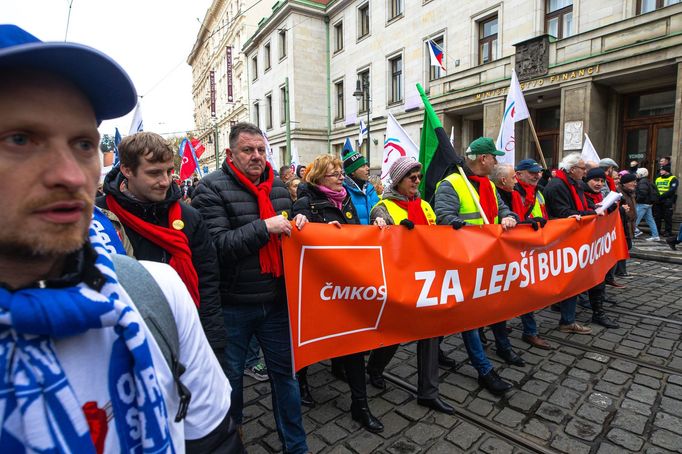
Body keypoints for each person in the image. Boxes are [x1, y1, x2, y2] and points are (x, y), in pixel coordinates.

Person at [0, 24, 240, 452]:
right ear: (126, 173)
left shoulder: (155, 291)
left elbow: (216, 440)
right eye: (19, 139)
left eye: (83, 144)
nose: (71, 175)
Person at [192, 122, 309, 453]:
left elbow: (288, 234)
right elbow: (214, 247)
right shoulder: (210, 189)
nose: (257, 156)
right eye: (248, 150)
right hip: (233, 305)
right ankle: (234, 444)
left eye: (261, 150)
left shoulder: (278, 189)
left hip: (275, 302)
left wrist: (301, 226)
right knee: (231, 385)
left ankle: (296, 447)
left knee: (286, 378)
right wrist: (263, 227)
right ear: (231, 153)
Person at [96, 132, 226, 357]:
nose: (165, 181)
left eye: (168, 171)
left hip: (183, 332)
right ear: (127, 170)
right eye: (154, 173)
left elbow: (207, 281)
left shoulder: (189, 217)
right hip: (121, 341)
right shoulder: (98, 216)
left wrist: (212, 342)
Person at [292, 154, 385, 433]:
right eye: (334, 174)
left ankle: (360, 405)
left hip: (346, 284)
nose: (340, 177)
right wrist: (316, 230)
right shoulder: (305, 201)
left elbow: (356, 233)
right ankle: (302, 379)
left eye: (341, 172)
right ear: (319, 177)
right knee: (311, 339)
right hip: (318, 287)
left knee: (353, 342)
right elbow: (300, 236)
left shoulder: (345, 198)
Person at [365, 157, 454, 415]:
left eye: (418, 177)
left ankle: (428, 392)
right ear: (398, 180)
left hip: (426, 280)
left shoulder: (425, 205)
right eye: (411, 177)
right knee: (395, 334)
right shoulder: (382, 207)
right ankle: (374, 367)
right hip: (399, 282)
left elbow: (437, 234)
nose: (417, 181)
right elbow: (377, 229)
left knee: (429, 334)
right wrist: (385, 228)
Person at [434, 137, 523, 396]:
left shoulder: (489, 186)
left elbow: (504, 210)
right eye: (493, 156)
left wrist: (508, 217)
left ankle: (436, 346)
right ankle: (484, 369)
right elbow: (444, 219)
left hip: (488, 261)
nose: (496, 161)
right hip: (462, 263)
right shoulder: (451, 184)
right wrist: (479, 233)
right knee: (469, 318)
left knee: (469, 312)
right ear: (483, 159)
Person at [543, 152, 595, 335]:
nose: (585, 172)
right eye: (583, 168)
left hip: (572, 238)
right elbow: (563, 213)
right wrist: (591, 214)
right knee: (570, 280)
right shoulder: (557, 185)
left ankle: (562, 308)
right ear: (572, 170)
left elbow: (581, 206)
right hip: (563, 240)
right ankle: (567, 320)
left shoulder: (575, 184)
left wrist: (594, 209)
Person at [509, 159, 552, 349]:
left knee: (526, 290)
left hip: (533, 246)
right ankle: (528, 331)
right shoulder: (512, 192)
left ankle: (526, 330)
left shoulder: (538, 192)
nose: (537, 175)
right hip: (515, 248)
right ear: (518, 174)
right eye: (532, 172)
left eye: (539, 172)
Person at [581, 169, 621, 328]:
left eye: (602, 181)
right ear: (587, 180)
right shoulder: (581, 193)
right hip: (582, 244)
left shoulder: (598, 195)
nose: (599, 184)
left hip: (595, 245)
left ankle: (598, 312)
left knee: (598, 278)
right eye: (595, 180)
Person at [342, 148, 379, 225]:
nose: (367, 168)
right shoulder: (343, 191)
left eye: (366, 165)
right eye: (362, 166)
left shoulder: (370, 189)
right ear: (352, 171)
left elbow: (378, 212)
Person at [616, 172, 637, 277]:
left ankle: (620, 270)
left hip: (629, 225)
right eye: (633, 182)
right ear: (625, 183)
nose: (635, 184)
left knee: (626, 246)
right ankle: (620, 271)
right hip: (622, 225)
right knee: (623, 247)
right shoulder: (619, 193)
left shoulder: (630, 192)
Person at [634, 167, 660, 241]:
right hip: (648, 204)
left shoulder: (642, 182)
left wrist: (637, 200)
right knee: (650, 220)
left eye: (637, 173)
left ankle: (633, 232)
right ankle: (655, 235)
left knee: (635, 219)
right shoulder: (648, 181)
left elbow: (642, 193)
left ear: (641, 174)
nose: (636, 174)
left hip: (642, 203)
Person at [654, 164, 678, 237]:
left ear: (666, 171)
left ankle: (668, 231)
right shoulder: (658, 178)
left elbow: (672, 190)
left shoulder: (673, 178)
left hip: (667, 200)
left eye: (662, 170)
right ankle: (657, 231)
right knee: (657, 217)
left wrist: (662, 196)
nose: (660, 171)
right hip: (658, 200)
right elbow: (654, 188)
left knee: (667, 217)